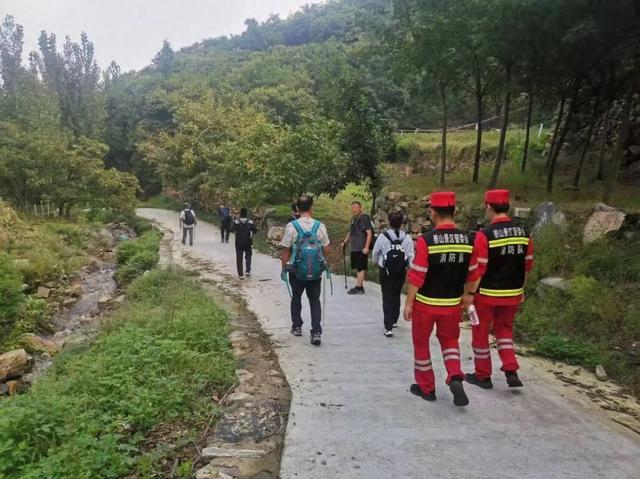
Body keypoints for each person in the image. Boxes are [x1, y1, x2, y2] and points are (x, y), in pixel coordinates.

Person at [403, 192, 475, 407]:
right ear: (455, 211)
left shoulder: (427, 240)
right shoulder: (469, 240)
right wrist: (467, 295)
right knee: (450, 341)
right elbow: (473, 273)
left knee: (421, 343)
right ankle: (454, 375)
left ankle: (427, 388)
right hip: (452, 304)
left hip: (426, 303)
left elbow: (417, 274)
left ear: (432, 212)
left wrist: (408, 303)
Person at [463, 189, 534, 389]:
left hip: (486, 295)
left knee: (480, 331)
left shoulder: (485, 235)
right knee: (505, 330)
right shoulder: (524, 233)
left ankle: (483, 375)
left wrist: (469, 294)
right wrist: (521, 289)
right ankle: (511, 368)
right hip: (512, 294)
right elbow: (527, 264)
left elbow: (478, 269)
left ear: (488, 207)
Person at [280, 195, 330, 346]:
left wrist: (284, 269)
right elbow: (327, 248)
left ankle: (297, 327)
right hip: (315, 272)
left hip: (297, 270)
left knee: (296, 297)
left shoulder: (292, 226)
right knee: (314, 300)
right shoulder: (320, 226)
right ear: (311, 207)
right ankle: (316, 331)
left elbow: (285, 251)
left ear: (298, 208)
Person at [372, 212, 414, 337]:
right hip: (400, 270)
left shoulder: (382, 236)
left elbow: (375, 252)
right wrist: (409, 267)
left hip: (385, 270)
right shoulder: (407, 238)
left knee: (387, 296)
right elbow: (411, 255)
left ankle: (388, 326)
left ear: (389, 222)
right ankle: (394, 320)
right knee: (396, 293)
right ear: (401, 223)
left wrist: (375, 262)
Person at [342, 201, 373, 295]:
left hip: (361, 248)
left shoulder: (364, 218)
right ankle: (359, 285)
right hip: (354, 247)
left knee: (360, 268)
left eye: (356, 207)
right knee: (357, 268)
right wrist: (345, 241)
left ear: (360, 208)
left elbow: (369, 232)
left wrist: (367, 247)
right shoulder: (353, 219)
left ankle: (359, 288)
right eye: (353, 207)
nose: (354, 209)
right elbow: (350, 232)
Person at [230, 207, 257, 279]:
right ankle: (247, 271)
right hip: (248, 242)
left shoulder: (236, 221)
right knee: (248, 256)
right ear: (246, 214)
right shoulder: (250, 222)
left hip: (238, 242)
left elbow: (231, 229)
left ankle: (241, 275)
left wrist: (236, 232)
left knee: (239, 258)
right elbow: (255, 230)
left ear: (240, 214)